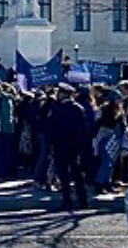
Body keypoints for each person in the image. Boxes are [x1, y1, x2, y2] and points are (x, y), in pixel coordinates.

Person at [49, 83, 88, 211]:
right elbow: (82, 130)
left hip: (60, 144)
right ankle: (82, 200)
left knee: (63, 175)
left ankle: (67, 200)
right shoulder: (78, 108)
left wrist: (51, 143)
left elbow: (52, 128)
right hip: (74, 146)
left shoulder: (57, 108)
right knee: (76, 174)